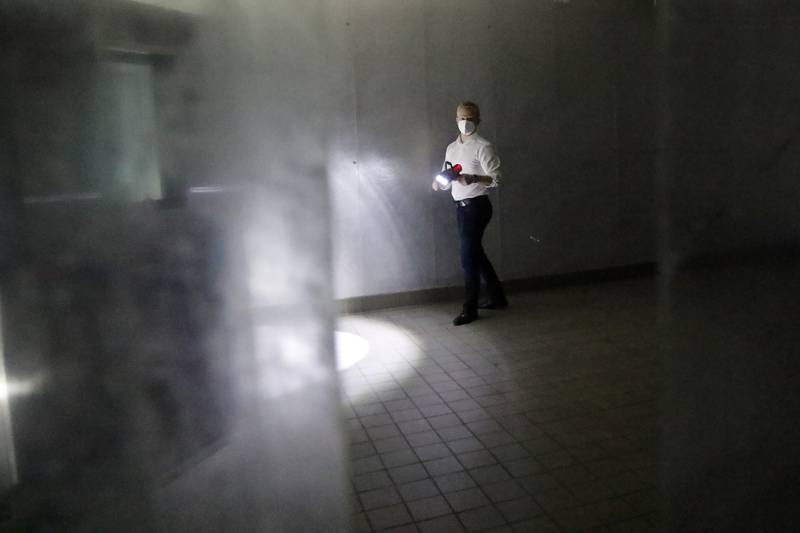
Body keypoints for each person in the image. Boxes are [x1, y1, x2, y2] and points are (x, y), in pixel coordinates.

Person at [432, 101, 508, 326]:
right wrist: (440, 183)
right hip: (460, 207)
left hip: (477, 206)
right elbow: (448, 175)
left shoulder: (483, 146)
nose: (466, 122)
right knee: (476, 254)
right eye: (462, 117)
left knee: (468, 258)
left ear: (478, 120)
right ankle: (497, 297)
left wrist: (474, 178)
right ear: (456, 119)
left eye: (471, 117)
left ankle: (470, 308)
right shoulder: (451, 148)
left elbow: (497, 178)